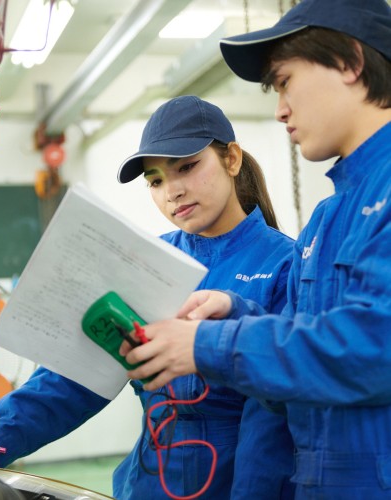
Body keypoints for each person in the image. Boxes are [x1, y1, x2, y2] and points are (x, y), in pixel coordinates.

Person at [0, 96, 296, 499]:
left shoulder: (287, 266)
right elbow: (75, 377)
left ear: (232, 159)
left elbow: (275, 418)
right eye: (156, 180)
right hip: (148, 483)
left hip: (234, 483)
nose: (172, 192)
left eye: (187, 167)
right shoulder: (147, 262)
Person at [120, 1, 391, 499]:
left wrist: (204, 345)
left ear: (352, 63)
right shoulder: (325, 222)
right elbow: (301, 340)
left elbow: (377, 344)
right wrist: (234, 313)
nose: (280, 108)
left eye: (284, 81)